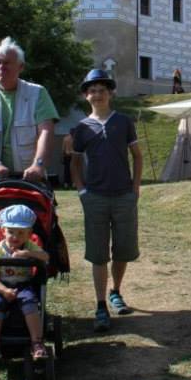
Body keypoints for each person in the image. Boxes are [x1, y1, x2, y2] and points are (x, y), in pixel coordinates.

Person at [70, 69, 143, 333]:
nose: (97, 94)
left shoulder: (123, 122)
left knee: (122, 250)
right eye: (92, 90)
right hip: (95, 198)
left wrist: (135, 188)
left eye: (102, 89)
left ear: (110, 93)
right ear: (86, 95)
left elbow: (137, 155)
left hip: (124, 196)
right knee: (98, 254)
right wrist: (81, 191)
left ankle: (116, 292)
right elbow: (75, 162)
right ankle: (101, 305)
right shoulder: (81, 128)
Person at [0, 37, 59, 184]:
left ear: (21, 67)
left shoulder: (38, 93)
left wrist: (38, 165)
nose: (1, 67)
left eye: (7, 63)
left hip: (29, 176)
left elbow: (46, 132)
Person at [0, 204, 51, 364]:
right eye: (11, 232)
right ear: (3, 231)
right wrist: (4, 290)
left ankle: (37, 342)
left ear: (29, 234)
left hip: (23, 285)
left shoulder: (29, 247)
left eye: (21, 233)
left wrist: (28, 254)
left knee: (30, 302)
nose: (15, 236)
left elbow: (45, 257)